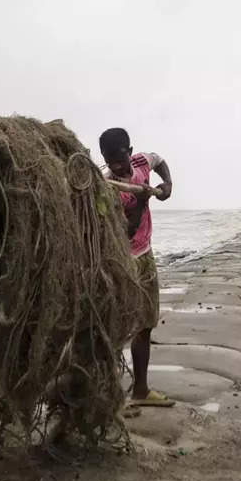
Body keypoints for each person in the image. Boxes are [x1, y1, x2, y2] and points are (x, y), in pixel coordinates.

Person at [99, 127, 174, 407]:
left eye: (120, 159)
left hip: (145, 255)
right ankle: (106, 394)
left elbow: (160, 161)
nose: (117, 166)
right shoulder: (107, 189)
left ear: (130, 152)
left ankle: (140, 390)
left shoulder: (142, 162)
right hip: (120, 261)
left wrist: (167, 185)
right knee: (115, 328)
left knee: (145, 325)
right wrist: (141, 203)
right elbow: (124, 232)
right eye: (110, 161)